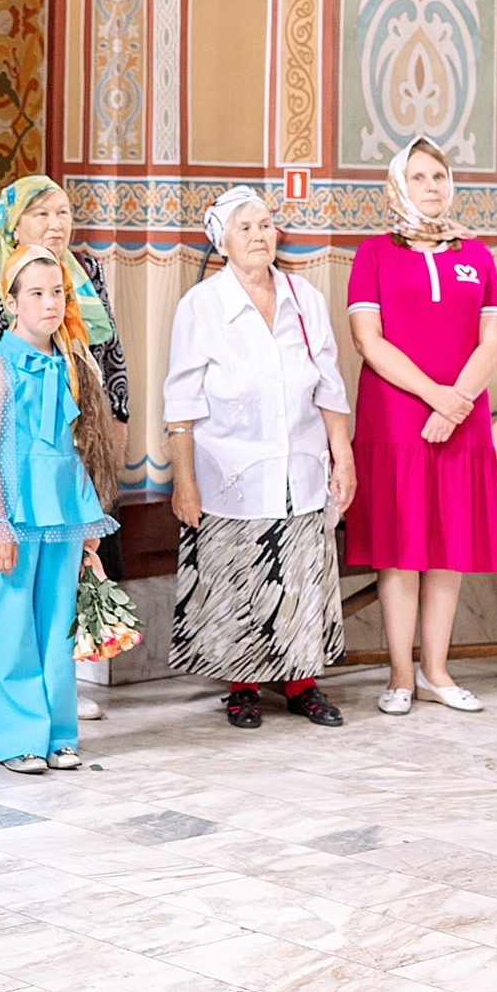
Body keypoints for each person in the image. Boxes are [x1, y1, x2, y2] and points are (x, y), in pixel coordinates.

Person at [163, 187, 354, 728]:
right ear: (221, 241)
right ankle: (242, 687)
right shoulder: (202, 305)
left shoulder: (305, 299)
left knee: (299, 576)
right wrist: (185, 482)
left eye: (266, 225)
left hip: (301, 466)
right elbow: (180, 402)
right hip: (230, 473)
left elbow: (330, 388)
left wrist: (343, 457)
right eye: (245, 227)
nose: (259, 235)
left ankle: (303, 684)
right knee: (238, 577)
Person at [0, 175, 127, 716]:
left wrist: (114, 419)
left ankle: (58, 712)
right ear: (14, 223)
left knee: (61, 600)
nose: (56, 224)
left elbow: (109, 353)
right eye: (41, 214)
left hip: (70, 460)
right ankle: (18, 722)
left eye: (63, 212)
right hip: (12, 465)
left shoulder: (85, 273)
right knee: (12, 603)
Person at [345, 140, 497, 717]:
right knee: (401, 551)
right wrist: (434, 396)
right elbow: (368, 341)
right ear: (398, 185)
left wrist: (456, 403)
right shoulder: (373, 255)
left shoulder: (478, 256)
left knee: (448, 550)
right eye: (418, 177)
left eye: (439, 175)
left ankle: (437, 670)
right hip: (395, 420)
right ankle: (398, 677)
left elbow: (492, 341)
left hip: (460, 423)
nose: (432, 186)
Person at [0, 245, 118, 772]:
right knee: (10, 621)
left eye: (58, 292)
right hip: (15, 510)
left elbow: (79, 444)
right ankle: (17, 735)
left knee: (59, 622)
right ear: (11, 303)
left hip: (64, 510)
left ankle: (58, 732)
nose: (50, 303)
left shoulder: (69, 365)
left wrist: (87, 517)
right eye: (36, 293)